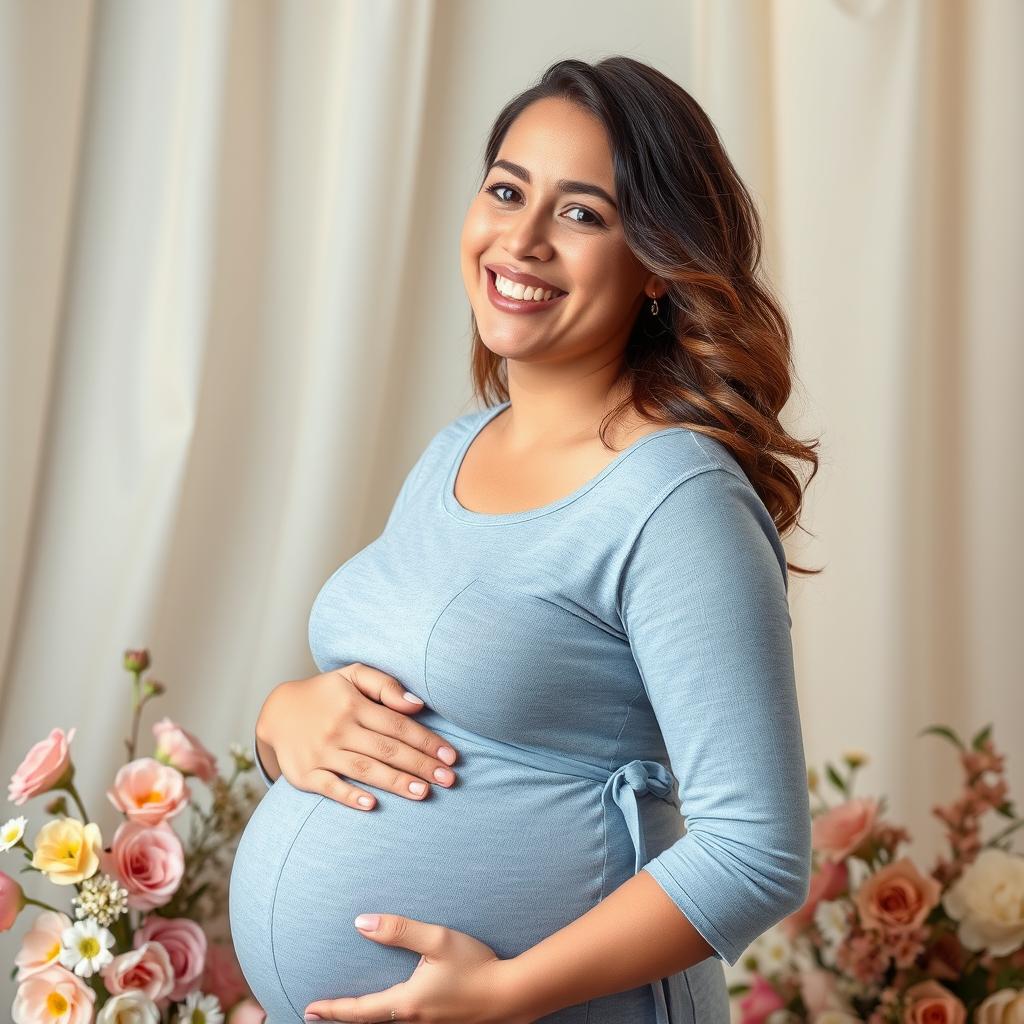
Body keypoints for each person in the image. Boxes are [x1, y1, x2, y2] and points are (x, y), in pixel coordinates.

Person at [228, 55, 820, 1024]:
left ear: (658, 267)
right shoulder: (459, 446)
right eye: (507, 189)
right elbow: (409, 705)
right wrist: (280, 720)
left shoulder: (677, 498)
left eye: (581, 213)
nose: (523, 238)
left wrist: (501, 993)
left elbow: (754, 851)